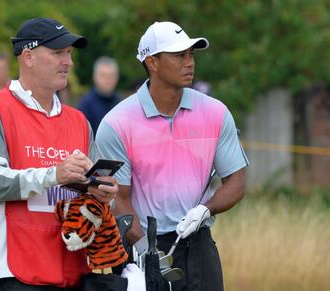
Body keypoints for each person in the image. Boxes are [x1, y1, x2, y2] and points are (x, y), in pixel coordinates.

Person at [0, 17, 120, 291]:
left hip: (72, 270)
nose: (69, 62)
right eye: (58, 53)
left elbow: (92, 198)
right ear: (27, 57)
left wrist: (102, 195)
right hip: (10, 271)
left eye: (69, 53)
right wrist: (54, 174)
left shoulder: (79, 121)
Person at [96, 21, 249, 291]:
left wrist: (206, 209)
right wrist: (148, 254)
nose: (189, 62)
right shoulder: (117, 123)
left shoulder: (215, 113)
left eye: (191, 55)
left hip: (200, 245)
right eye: (179, 56)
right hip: (143, 247)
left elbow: (236, 181)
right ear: (152, 62)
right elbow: (119, 199)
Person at [77, 56, 121, 133]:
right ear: (94, 77)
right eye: (103, 76)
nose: (108, 80)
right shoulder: (86, 106)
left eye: (111, 75)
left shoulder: (121, 103)